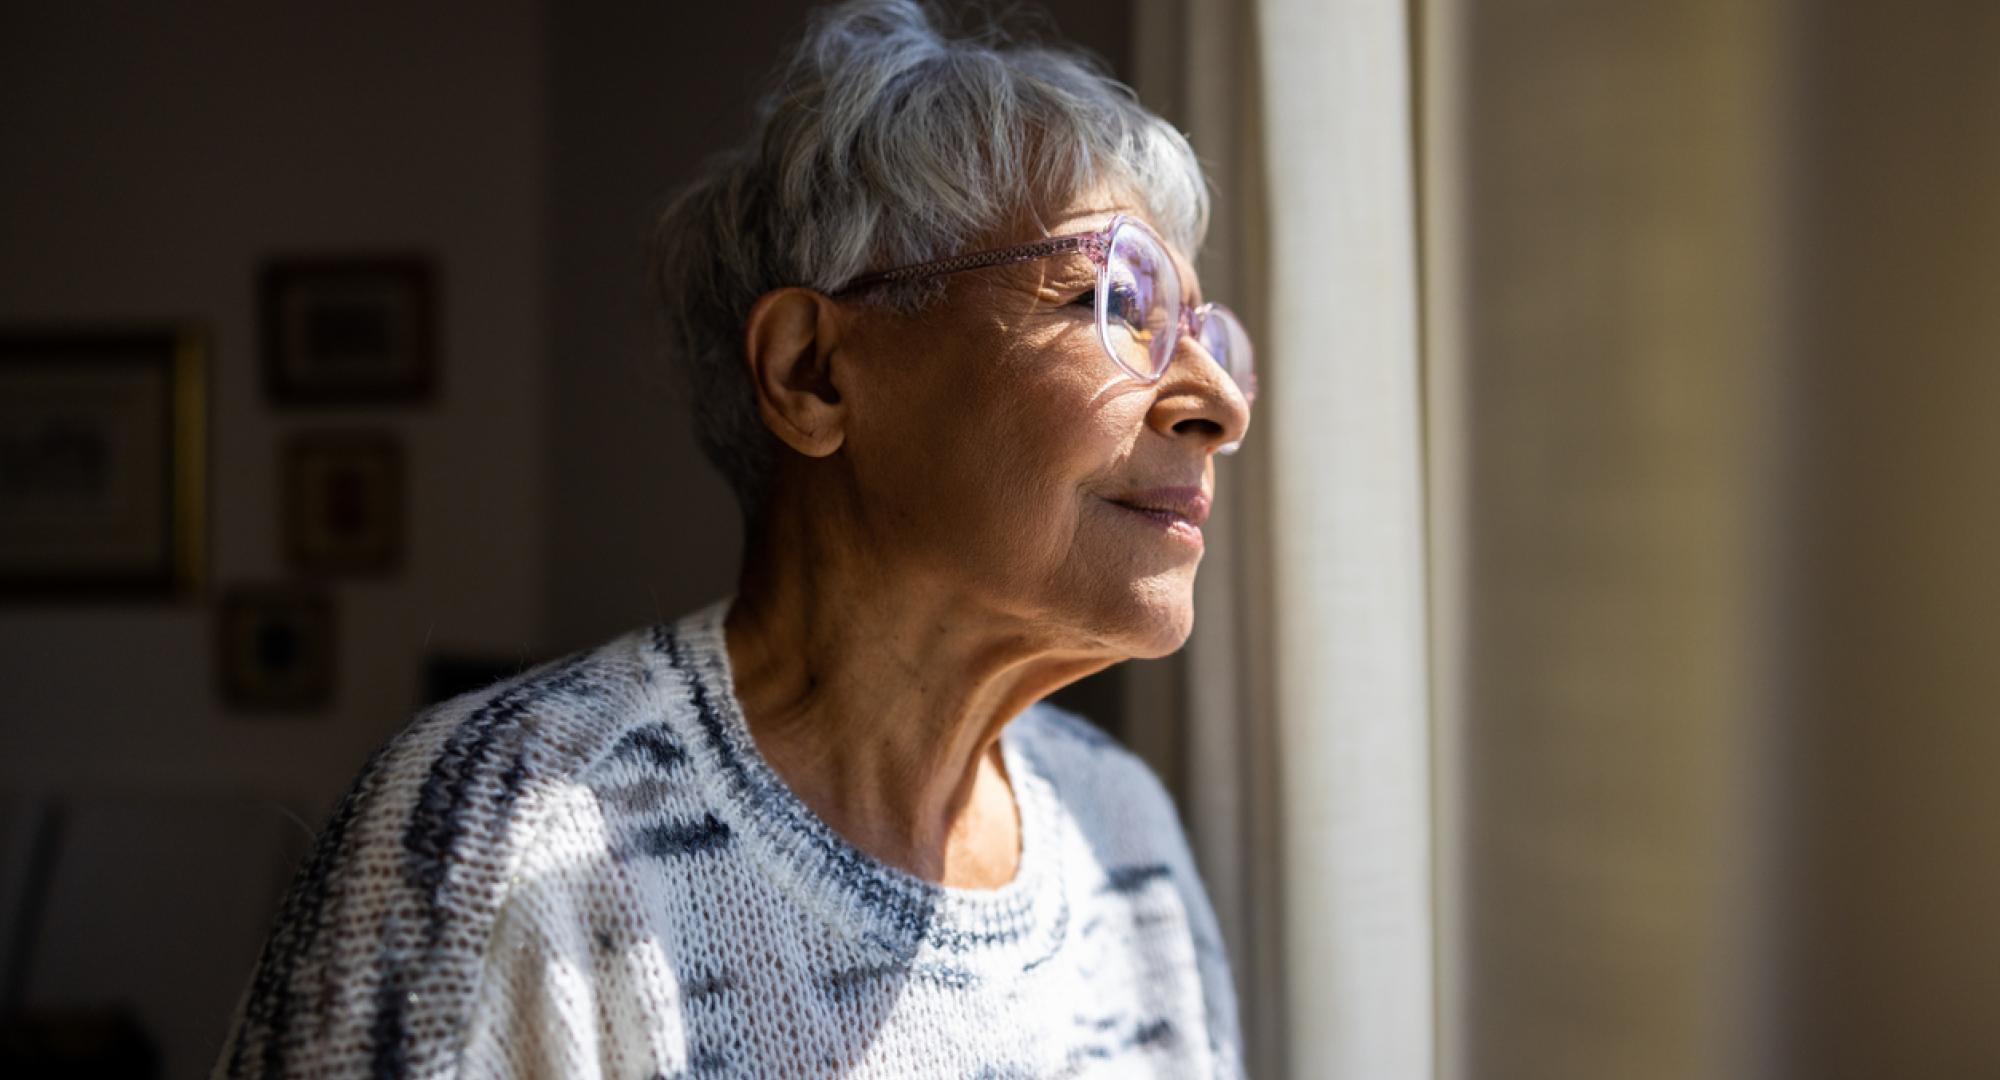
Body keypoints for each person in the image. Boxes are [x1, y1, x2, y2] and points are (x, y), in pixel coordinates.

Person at [212, 0, 1255, 1075]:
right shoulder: (504, 832)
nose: (1219, 403)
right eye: (1108, 300)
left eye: (1205, 334)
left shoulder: (1119, 834)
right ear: (811, 371)